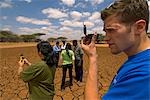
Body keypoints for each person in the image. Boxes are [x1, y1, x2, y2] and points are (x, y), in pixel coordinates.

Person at [81, 0, 150, 100]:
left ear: (139, 27)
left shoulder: (144, 75)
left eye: (111, 30)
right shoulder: (137, 59)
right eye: (105, 32)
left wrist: (92, 59)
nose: (106, 38)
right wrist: (92, 56)